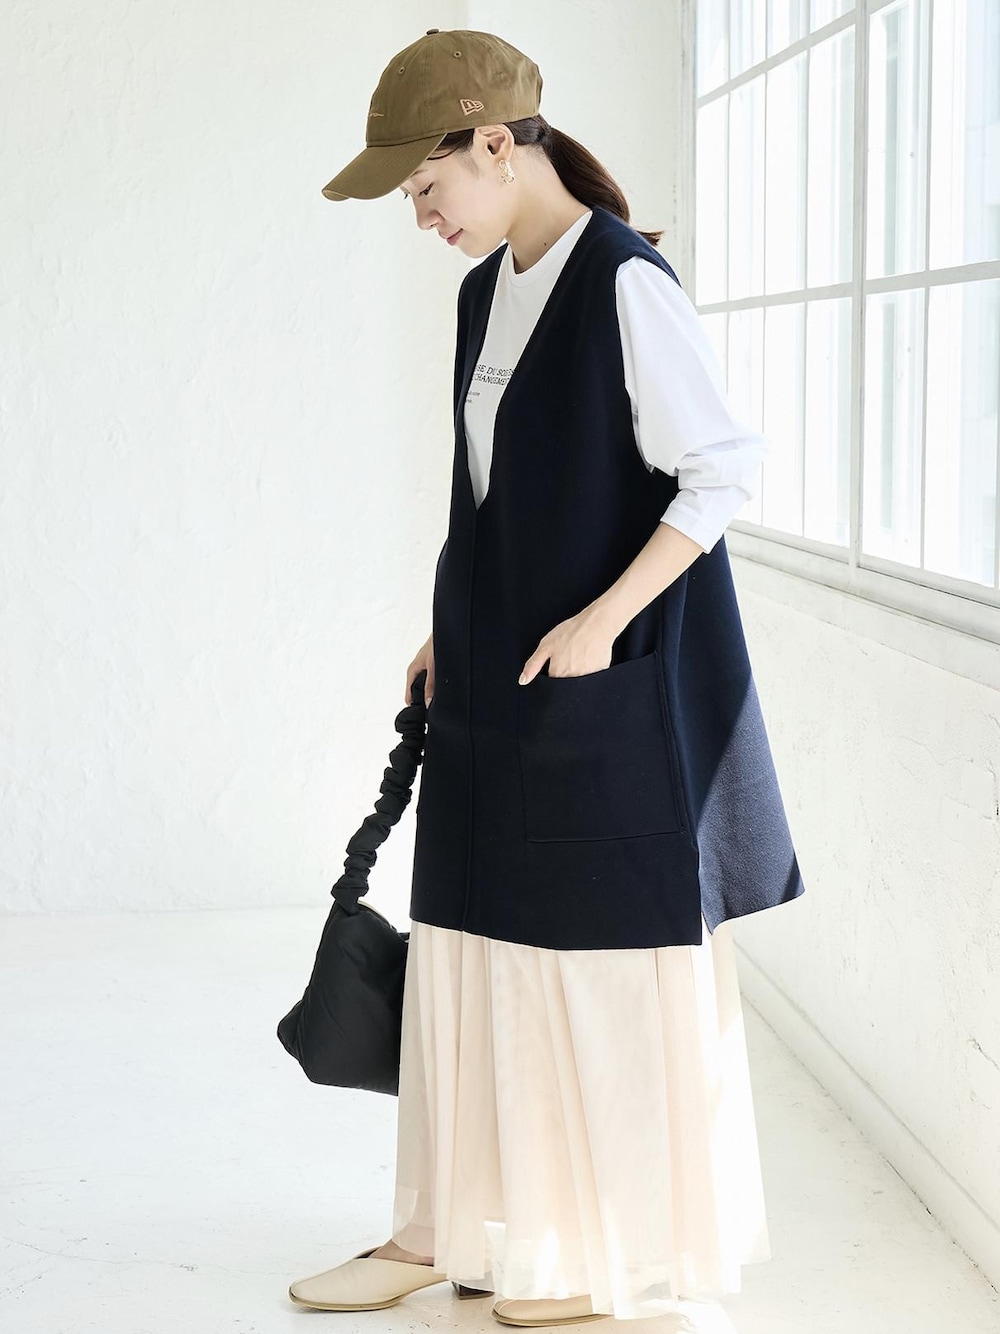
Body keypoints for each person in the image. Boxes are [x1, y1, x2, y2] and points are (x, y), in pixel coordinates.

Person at [289, 28, 806, 1327]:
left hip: (597, 689)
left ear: (496, 145)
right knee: (465, 943)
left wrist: (599, 624)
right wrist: (446, 623)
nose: (423, 218)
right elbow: (492, 491)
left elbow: (723, 473)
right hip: (488, 681)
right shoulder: (486, 292)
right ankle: (437, 1227)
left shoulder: (625, 283)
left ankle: (598, 1251)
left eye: (428, 187)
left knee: (592, 964)